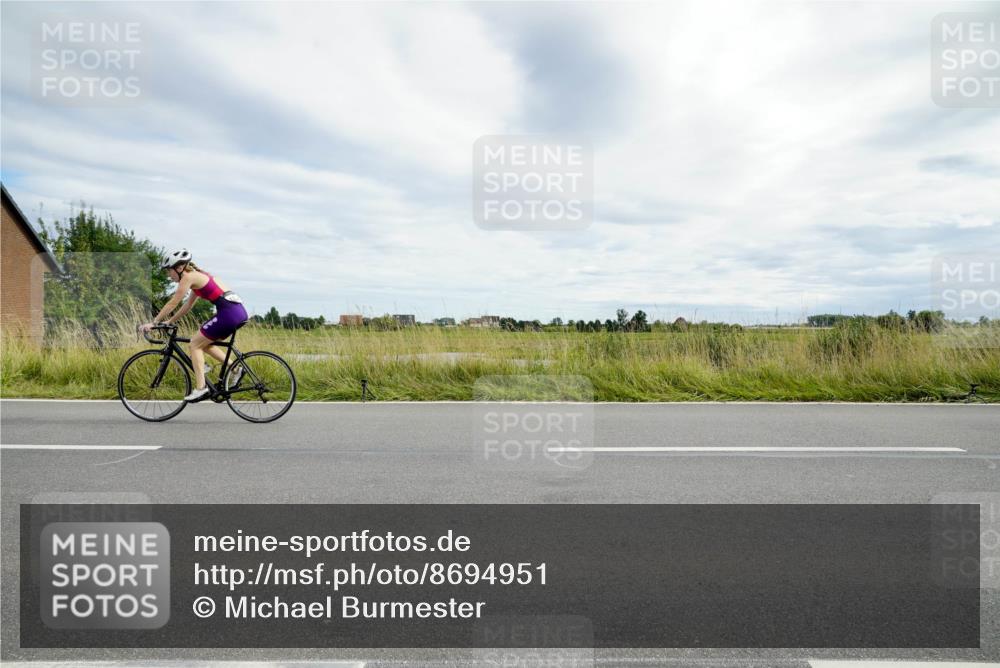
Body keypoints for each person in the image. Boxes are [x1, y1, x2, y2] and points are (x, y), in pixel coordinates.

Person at [141, 249, 248, 401]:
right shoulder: (198, 278)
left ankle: (201, 388)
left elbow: (173, 302)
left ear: (179, 268)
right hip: (236, 312)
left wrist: (154, 322)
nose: (168, 275)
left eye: (169, 271)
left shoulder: (188, 277)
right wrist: (169, 322)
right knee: (204, 344)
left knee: (194, 345)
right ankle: (235, 369)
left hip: (228, 313)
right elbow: (186, 306)